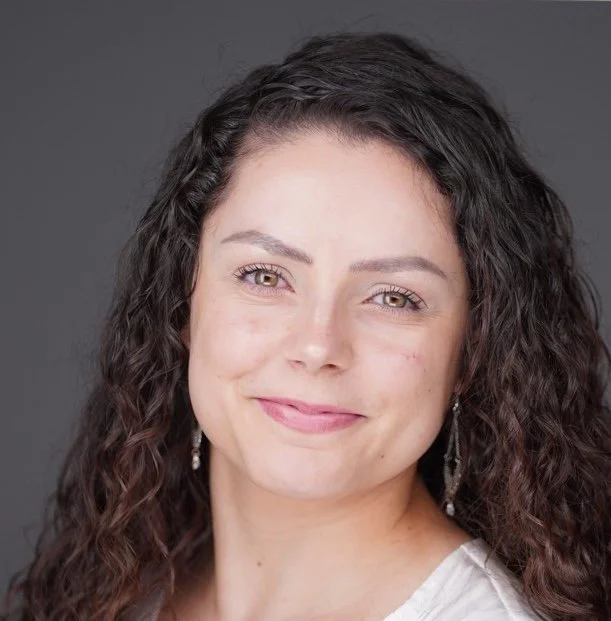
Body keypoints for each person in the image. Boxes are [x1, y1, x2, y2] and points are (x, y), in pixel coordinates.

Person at [2, 30, 610, 621]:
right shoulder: (116, 597)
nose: (318, 345)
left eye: (394, 297)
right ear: (181, 304)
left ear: (473, 352)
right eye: (265, 277)